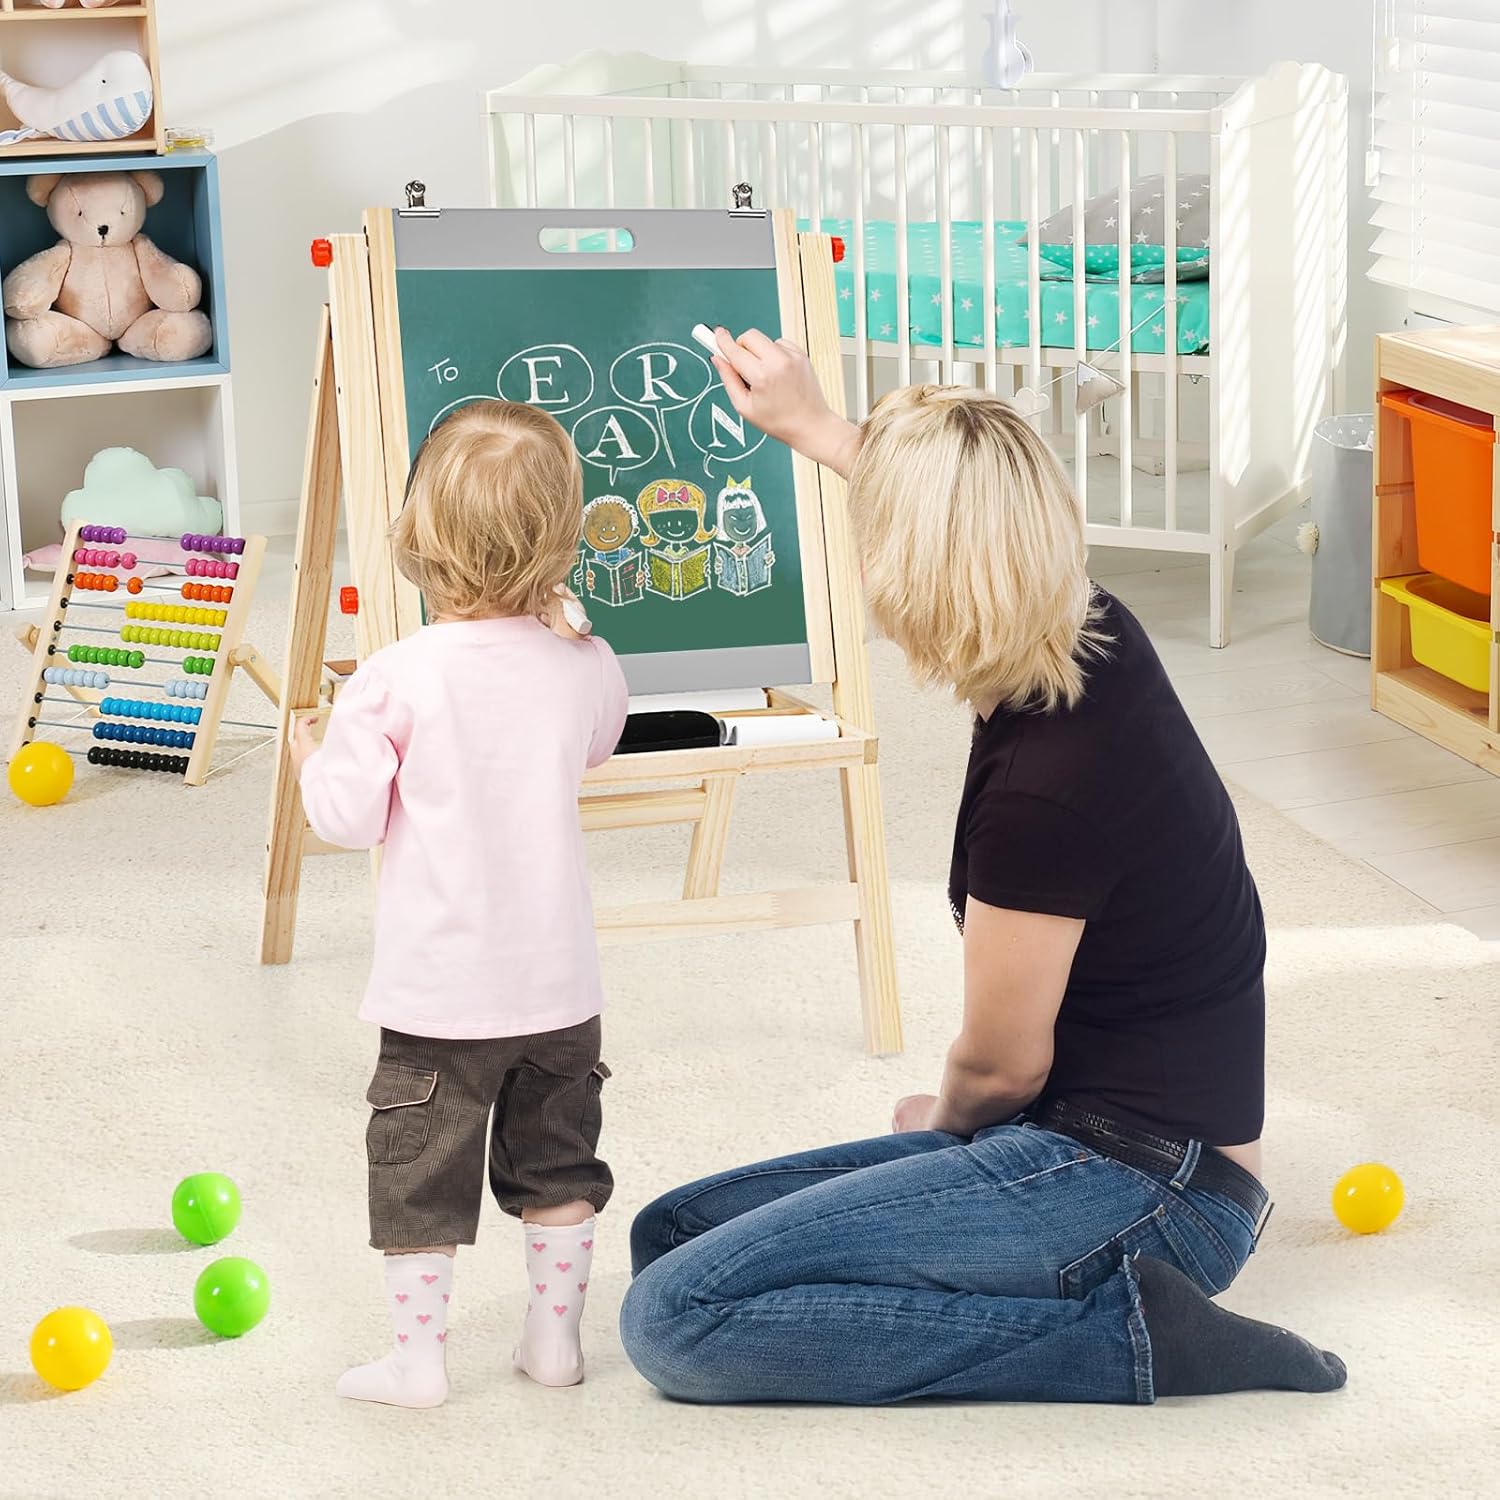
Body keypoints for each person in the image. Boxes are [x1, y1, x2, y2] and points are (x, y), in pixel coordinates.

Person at [617, 332, 1347, 1405]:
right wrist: (816, 427)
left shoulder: (1045, 793)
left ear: (913, 573)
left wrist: (946, 1126)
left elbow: (1001, 1068)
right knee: (671, 1233)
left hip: (1154, 1190)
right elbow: (961, 506)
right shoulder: (1087, 625)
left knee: (675, 1320)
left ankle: (1138, 1342)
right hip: (1079, 1132)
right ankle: (1023, 1285)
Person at [292, 400, 629, 1409]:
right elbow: (598, 743)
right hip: (560, 991)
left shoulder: (392, 679)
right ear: (563, 535)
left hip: (440, 995)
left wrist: (314, 755)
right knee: (559, 1165)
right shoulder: (587, 662)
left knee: (419, 1177)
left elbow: (348, 818)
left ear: (420, 535)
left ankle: (418, 1361)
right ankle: (554, 1345)